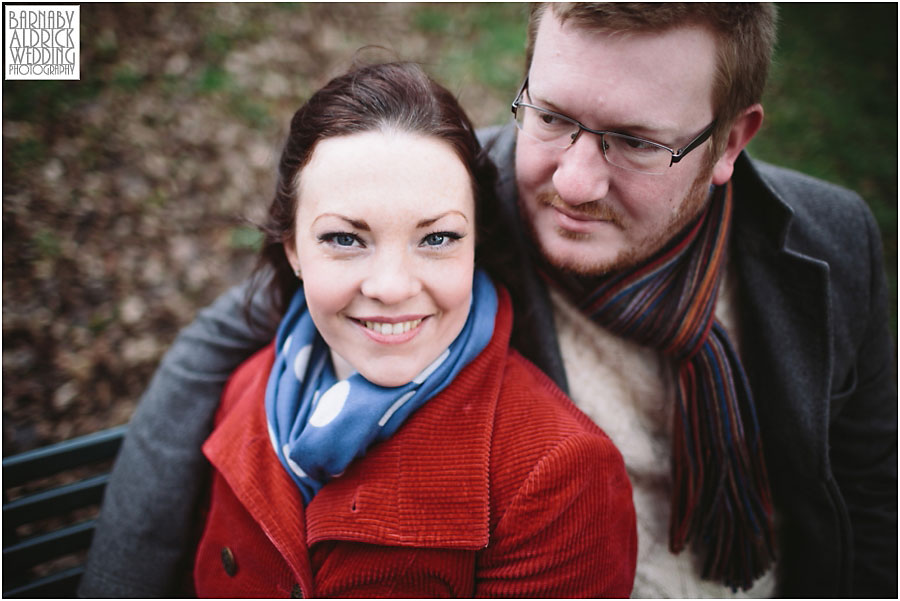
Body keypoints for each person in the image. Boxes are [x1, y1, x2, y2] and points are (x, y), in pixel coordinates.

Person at [81, 3, 897, 598]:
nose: (572, 183)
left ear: (729, 141)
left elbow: (870, 491)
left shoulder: (831, 241)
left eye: (637, 141)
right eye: (552, 114)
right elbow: (228, 341)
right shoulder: (457, 200)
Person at [85, 61, 638, 598]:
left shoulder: (561, 475)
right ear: (294, 250)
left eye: (437, 238)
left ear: (476, 248)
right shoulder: (243, 391)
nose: (392, 286)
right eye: (346, 239)